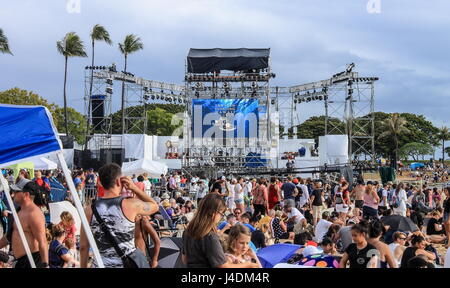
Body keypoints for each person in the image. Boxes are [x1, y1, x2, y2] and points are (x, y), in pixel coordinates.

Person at [80, 163, 159, 268]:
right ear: (118, 181)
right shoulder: (131, 205)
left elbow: (84, 247)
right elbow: (155, 206)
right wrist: (134, 188)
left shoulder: (89, 210)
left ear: (100, 183)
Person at [181, 193, 259, 268]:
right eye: (221, 213)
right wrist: (248, 265)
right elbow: (222, 266)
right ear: (213, 213)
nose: (221, 217)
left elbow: (185, 259)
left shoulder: (187, 232)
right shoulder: (209, 236)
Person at [0, 179, 48, 268]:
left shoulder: (34, 214)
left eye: (16, 192)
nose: (13, 194)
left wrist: (45, 264)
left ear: (26, 194)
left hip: (32, 261)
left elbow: (43, 241)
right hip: (21, 261)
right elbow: (9, 236)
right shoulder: (19, 211)